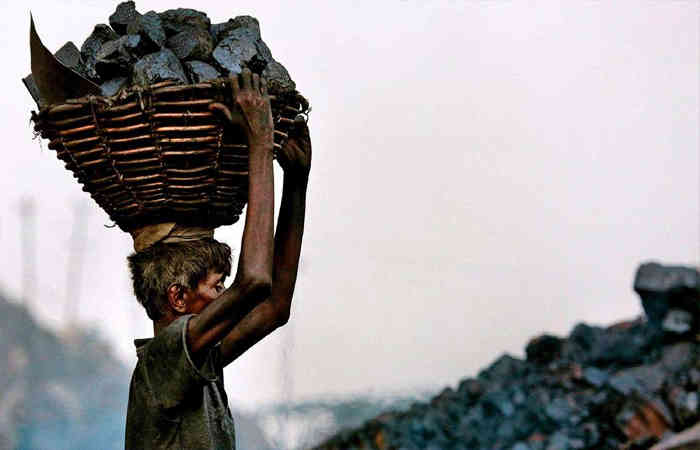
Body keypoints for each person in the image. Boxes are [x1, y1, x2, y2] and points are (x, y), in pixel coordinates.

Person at [124, 68, 311, 449]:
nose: (225, 296)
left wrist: (296, 180)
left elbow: (275, 305)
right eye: (216, 286)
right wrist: (260, 144)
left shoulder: (199, 363)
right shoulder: (161, 363)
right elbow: (254, 282)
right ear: (178, 297)